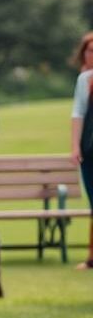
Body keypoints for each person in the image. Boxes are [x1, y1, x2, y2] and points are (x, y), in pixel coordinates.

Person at [70, 31, 93, 270]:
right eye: (90, 51)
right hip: (90, 151)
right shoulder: (85, 80)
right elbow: (78, 113)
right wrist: (75, 146)